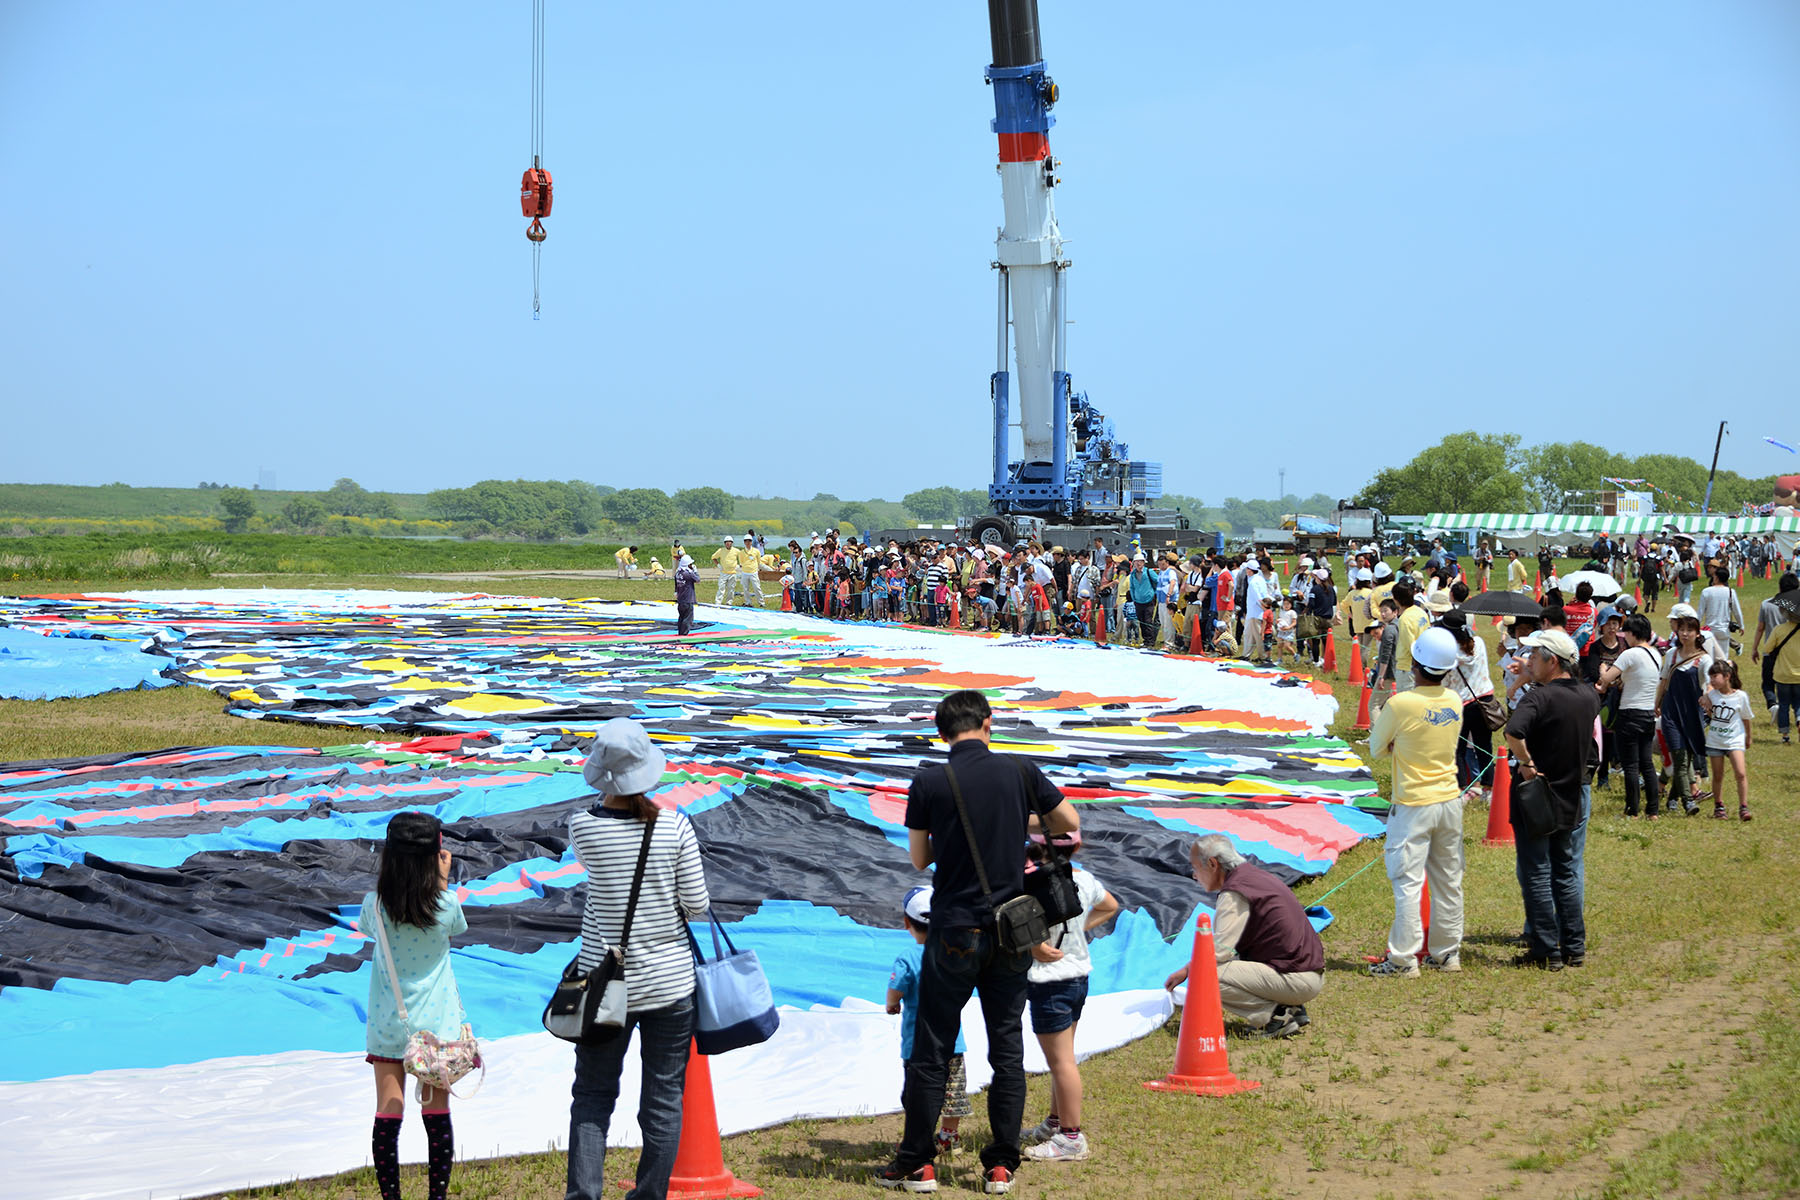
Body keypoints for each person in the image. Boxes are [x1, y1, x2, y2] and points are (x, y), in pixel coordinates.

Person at [882, 690, 1079, 1195]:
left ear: (941, 732)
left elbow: (919, 859)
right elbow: (1069, 823)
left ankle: (918, 1163)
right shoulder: (1019, 770)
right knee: (1006, 1048)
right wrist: (1019, 822)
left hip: (953, 929)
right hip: (1012, 931)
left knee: (932, 1048)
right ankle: (1000, 1164)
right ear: (989, 722)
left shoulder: (929, 780)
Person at [566, 719, 712, 1200]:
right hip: (670, 984)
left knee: (592, 1096)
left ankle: (583, 1194)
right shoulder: (674, 826)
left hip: (603, 985)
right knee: (664, 1100)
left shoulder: (582, 826)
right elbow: (697, 905)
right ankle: (649, 1195)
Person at [362, 811, 465, 1200]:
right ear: (436, 854)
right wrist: (441, 882)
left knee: (389, 1109)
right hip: (437, 1026)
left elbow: (372, 928)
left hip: (391, 1024)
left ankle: (392, 1196)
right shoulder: (446, 905)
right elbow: (454, 926)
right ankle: (436, 1195)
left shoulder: (374, 906)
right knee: (436, 1114)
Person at [1367, 627, 1467, 976]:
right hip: (1449, 800)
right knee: (1448, 880)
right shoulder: (1454, 700)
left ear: (1415, 663)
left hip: (1413, 804)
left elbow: (1376, 747)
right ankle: (1446, 953)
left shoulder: (1401, 703)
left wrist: (1398, 743)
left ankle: (1403, 959)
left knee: (1408, 883)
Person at [1502, 630, 1600, 970]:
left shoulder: (1538, 698)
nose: (1528, 660)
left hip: (1537, 795)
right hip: (1572, 793)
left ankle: (1546, 949)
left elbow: (1512, 731)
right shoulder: (1588, 695)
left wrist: (1527, 764)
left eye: (1534, 656)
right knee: (1565, 871)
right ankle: (1574, 945)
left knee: (1536, 872)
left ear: (1552, 661)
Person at [1163, 835, 1324, 1037]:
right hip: (1307, 972)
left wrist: (1186, 971)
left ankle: (1273, 1016)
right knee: (1211, 967)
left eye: (1195, 868)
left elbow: (1219, 951)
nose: (1195, 876)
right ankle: (1289, 1006)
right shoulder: (1254, 876)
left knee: (1203, 974)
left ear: (1212, 864)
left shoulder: (1234, 893)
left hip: (1297, 979)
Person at [1019, 833, 1118, 1163]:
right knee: (1063, 1058)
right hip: (1078, 978)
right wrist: (1081, 930)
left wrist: (1035, 944)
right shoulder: (1084, 878)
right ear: (1076, 848)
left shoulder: (1033, 883)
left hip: (1049, 983)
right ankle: (1055, 1124)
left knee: (1062, 1063)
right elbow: (1110, 905)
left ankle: (1071, 1138)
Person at [888, 887, 970, 1160]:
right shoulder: (955, 952)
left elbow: (896, 987)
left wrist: (892, 1004)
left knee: (917, 1093)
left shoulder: (907, 958)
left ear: (907, 922)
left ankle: (917, 1138)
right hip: (953, 1041)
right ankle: (949, 1137)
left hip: (918, 1043)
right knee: (953, 1092)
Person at [1655, 604, 1712, 816]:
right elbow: (1663, 681)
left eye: (1689, 630)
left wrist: (1709, 702)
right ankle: (1688, 801)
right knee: (1679, 757)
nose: (1685, 634)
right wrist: (1657, 703)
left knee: (1686, 759)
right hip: (1671, 711)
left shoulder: (1704, 659)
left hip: (1692, 714)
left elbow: (1708, 686)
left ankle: (1672, 798)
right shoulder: (1670, 654)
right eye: (1681, 630)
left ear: (1698, 633)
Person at [1440, 613, 1496, 801]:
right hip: (1484, 700)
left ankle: (1463, 788)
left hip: (1460, 705)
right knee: (1484, 746)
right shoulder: (1478, 642)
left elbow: (1445, 682)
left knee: (1458, 749)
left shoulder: (1448, 653)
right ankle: (1489, 789)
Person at [1700, 661, 1754, 821]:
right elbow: (1710, 713)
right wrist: (1705, 699)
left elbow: (1746, 719)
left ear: (1727, 676)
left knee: (1741, 773)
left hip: (1734, 740)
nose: (1712, 681)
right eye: (1710, 677)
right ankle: (1719, 806)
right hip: (1715, 741)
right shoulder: (1712, 695)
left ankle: (1743, 807)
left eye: (1715, 677)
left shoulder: (1741, 696)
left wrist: (1748, 737)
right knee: (1717, 775)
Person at [1757, 585, 1800, 744]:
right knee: (1798, 703)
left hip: (1783, 674)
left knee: (1783, 704)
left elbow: (1768, 649)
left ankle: (1785, 736)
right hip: (1799, 676)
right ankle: (1799, 718)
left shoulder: (1779, 630)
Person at [1697, 566, 1743, 654]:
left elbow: (1700, 612)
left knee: (1710, 658)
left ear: (1717, 578)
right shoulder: (1730, 592)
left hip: (1709, 629)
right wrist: (1741, 625)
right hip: (1724, 629)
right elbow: (1737, 611)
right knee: (1723, 657)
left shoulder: (1706, 591)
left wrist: (1696, 627)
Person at [1369, 597, 1400, 710]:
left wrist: (1381, 676)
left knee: (1374, 705)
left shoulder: (1389, 630)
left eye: (1385, 611)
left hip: (1389, 672)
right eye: (1381, 611)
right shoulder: (1401, 625)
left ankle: (1376, 728)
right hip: (1401, 670)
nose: (1383, 614)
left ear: (1395, 612)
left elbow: (1386, 655)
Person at [673, 554, 700, 636]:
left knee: (681, 617)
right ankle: (684, 635)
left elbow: (676, 585)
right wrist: (695, 571)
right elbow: (697, 580)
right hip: (688, 599)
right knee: (688, 618)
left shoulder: (678, 573)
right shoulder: (688, 573)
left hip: (680, 599)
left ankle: (680, 632)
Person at [712, 536, 742, 606]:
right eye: (726, 543)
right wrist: (718, 565)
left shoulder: (736, 551)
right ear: (724, 543)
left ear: (732, 543)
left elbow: (742, 557)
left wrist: (739, 565)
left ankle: (729, 602)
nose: (728, 544)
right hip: (723, 573)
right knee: (721, 588)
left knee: (731, 589)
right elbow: (713, 557)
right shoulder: (721, 550)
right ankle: (718, 602)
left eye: (729, 542)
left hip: (733, 573)